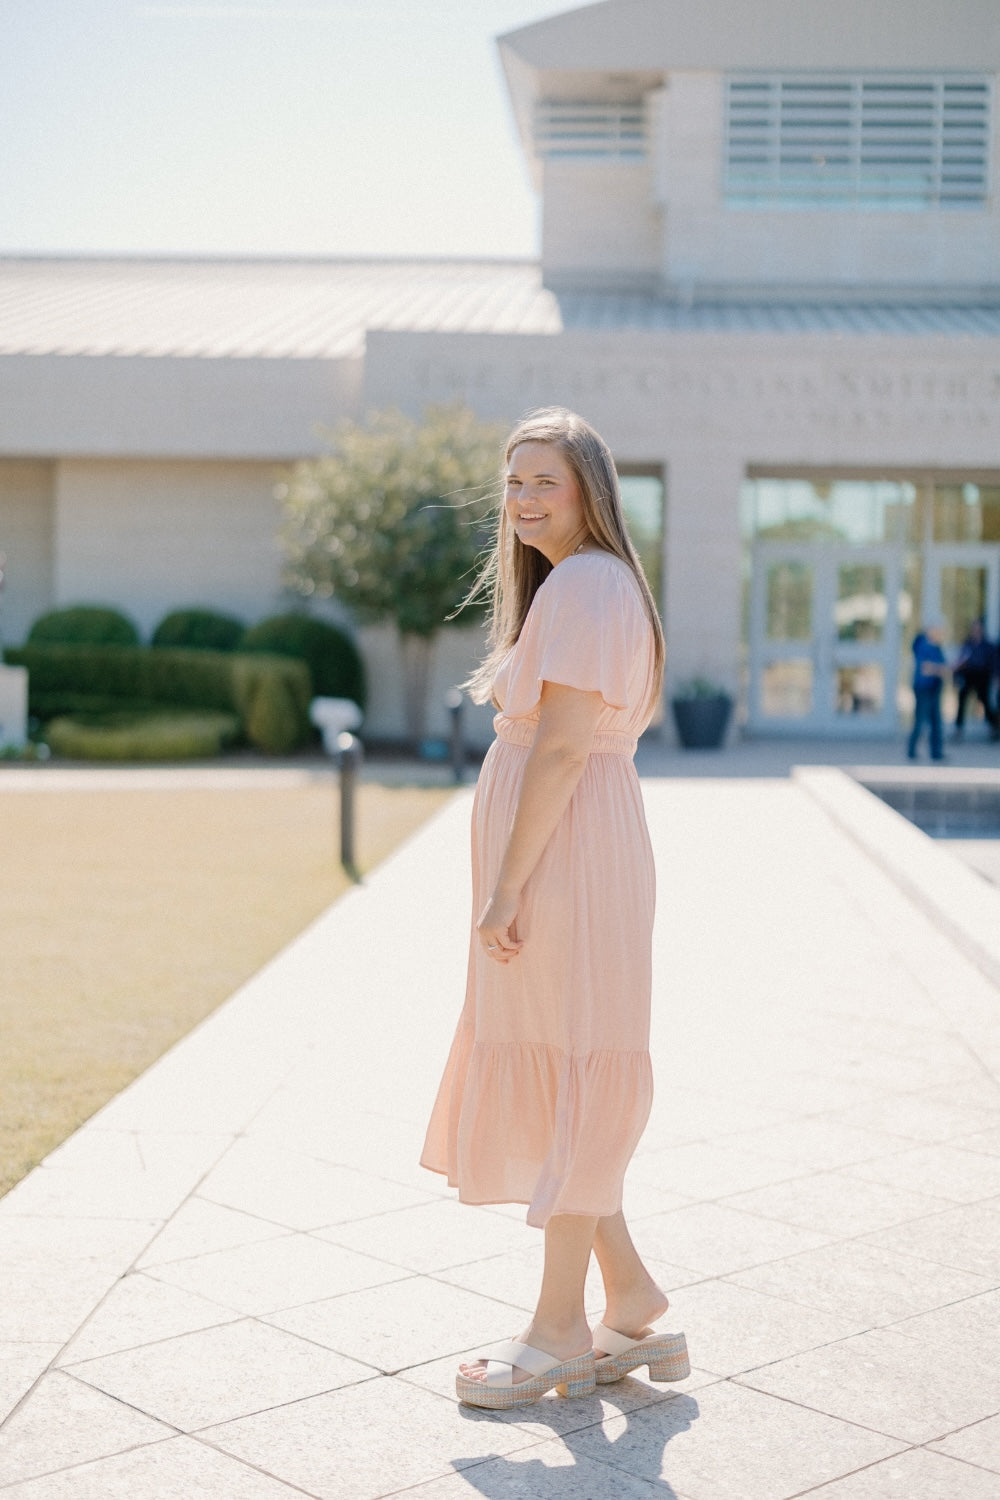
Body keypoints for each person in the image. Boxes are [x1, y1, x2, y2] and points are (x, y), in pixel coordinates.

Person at [420, 408, 690, 1410]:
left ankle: (559, 1331)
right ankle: (627, 1289)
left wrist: (505, 886)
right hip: (578, 850)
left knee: (574, 1065)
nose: (526, 498)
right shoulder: (586, 584)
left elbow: (567, 745)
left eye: (547, 481)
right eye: (514, 482)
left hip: (566, 857)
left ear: (589, 491)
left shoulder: (585, 582)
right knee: (566, 1063)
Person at [907, 620, 948, 761]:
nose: (939, 634)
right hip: (923, 688)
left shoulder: (937, 647)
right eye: (937, 631)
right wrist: (939, 669)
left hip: (935, 687)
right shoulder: (922, 646)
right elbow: (926, 668)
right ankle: (911, 750)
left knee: (936, 721)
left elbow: (942, 667)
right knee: (920, 721)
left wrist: (939, 669)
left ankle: (936, 752)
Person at [952, 618, 999, 740]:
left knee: (984, 701)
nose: (975, 630)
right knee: (962, 699)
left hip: (982, 675)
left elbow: (994, 663)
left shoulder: (987, 646)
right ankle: (958, 729)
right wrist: (956, 676)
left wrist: (996, 677)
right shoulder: (967, 644)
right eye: (973, 628)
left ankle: (994, 727)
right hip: (969, 674)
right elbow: (960, 661)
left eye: (977, 628)